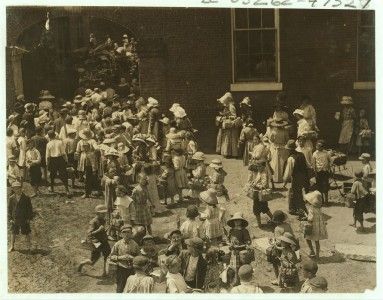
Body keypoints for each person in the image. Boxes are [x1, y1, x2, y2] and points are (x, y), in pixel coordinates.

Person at [78, 204, 111, 276]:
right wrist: (99, 230)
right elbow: (89, 233)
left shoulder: (103, 220)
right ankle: (82, 263)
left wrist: (106, 230)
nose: (104, 214)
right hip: (97, 242)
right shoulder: (93, 222)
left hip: (104, 241)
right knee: (93, 261)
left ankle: (105, 272)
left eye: (105, 213)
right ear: (97, 213)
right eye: (102, 213)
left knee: (107, 255)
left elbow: (104, 230)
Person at [110, 224, 141, 293]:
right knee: (120, 288)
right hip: (121, 269)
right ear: (121, 234)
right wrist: (120, 257)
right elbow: (111, 256)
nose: (126, 234)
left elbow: (139, 257)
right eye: (124, 232)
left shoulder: (135, 244)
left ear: (131, 234)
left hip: (132, 269)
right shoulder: (118, 244)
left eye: (128, 232)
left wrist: (133, 258)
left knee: (132, 288)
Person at [283, 139, 310, 215]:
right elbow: (308, 165)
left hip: (295, 178)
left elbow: (288, 173)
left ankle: (302, 211)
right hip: (303, 177)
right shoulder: (301, 155)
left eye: (287, 150)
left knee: (295, 194)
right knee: (297, 193)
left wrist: (285, 182)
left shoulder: (291, 158)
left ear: (289, 150)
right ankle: (293, 208)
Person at [8, 181, 33, 252]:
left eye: (18, 188)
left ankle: (29, 246)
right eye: (15, 189)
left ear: (21, 188)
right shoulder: (11, 198)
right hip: (15, 218)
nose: (17, 190)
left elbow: (29, 209)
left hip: (24, 218)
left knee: (26, 232)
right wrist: (10, 219)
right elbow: (9, 209)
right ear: (13, 189)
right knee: (13, 232)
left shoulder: (26, 198)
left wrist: (29, 218)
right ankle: (12, 246)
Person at [247, 159, 273, 227]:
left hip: (260, 194)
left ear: (263, 167)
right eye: (257, 166)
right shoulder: (259, 172)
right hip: (257, 194)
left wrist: (255, 185)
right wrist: (253, 183)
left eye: (259, 166)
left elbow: (264, 185)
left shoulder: (264, 173)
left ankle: (260, 224)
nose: (258, 168)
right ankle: (273, 219)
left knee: (258, 209)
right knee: (264, 208)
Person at [45, 130, 70, 196]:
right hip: (60, 159)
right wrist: (66, 160)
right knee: (63, 174)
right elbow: (63, 153)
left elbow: (47, 156)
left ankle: (52, 188)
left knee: (52, 175)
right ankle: (67, 190)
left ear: (49, 137)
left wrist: (47, 164)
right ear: (55, 135)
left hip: (52, 160)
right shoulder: (60, 142)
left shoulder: (48, 144)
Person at [303, 191, 328, 258]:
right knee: (317, 241)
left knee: (307, 238)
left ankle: (311, 250)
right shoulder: (319, 208)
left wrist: (306, 217)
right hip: (318, 227)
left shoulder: (311, 208)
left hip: (312, 226)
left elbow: (310, 218)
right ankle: (317, 255)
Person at [216, 92, 239, 158]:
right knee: (227, 139)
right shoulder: (227, 106)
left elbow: (234, 116)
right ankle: (227, 153)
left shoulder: (231, 107)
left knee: (230, 139)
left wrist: (226, 117)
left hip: (231, 125)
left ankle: (231, 153)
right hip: (227, 125)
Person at [312, 140, 331, 206]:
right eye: (317, 146)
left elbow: (329, 161)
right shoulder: (314, 153)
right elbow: (313, 163)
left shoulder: (327, 153)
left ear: (323, 147)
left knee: (325, 185)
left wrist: (329, 168)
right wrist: (314, 171)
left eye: (320, 146)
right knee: (319, 186)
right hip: (318, 171)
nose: (318, 147)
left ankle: (326, 200)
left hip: (325, 171)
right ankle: (321, 200)